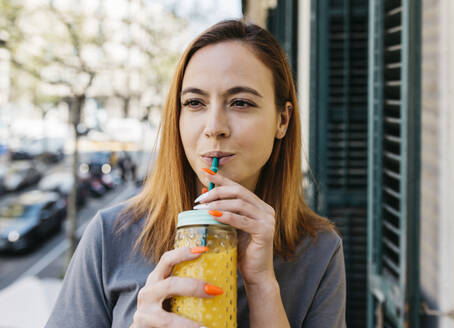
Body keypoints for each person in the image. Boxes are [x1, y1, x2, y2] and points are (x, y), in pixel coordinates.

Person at [45, 19, 346, 328]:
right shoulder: (111, 235)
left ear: (282, 120)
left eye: (240, 102)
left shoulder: (319, 251)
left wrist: (262, 286)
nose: (214, 126)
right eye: (194, 102)